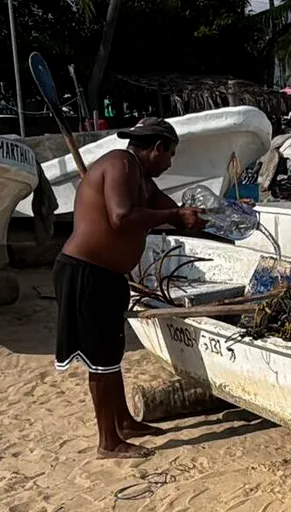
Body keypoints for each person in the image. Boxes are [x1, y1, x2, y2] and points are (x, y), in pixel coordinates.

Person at [53, 117, 206, 459]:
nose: (171, 163)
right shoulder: (121, 164)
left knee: (111, 355)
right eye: (171, 154)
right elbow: (121, 217)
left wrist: (196, 216)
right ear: (157, 148)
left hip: (108, 277)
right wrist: (174, 216)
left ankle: (123, 422)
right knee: (100, 360)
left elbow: (172, 210)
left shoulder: (142, 179)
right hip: (84, 273)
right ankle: (109, 441)